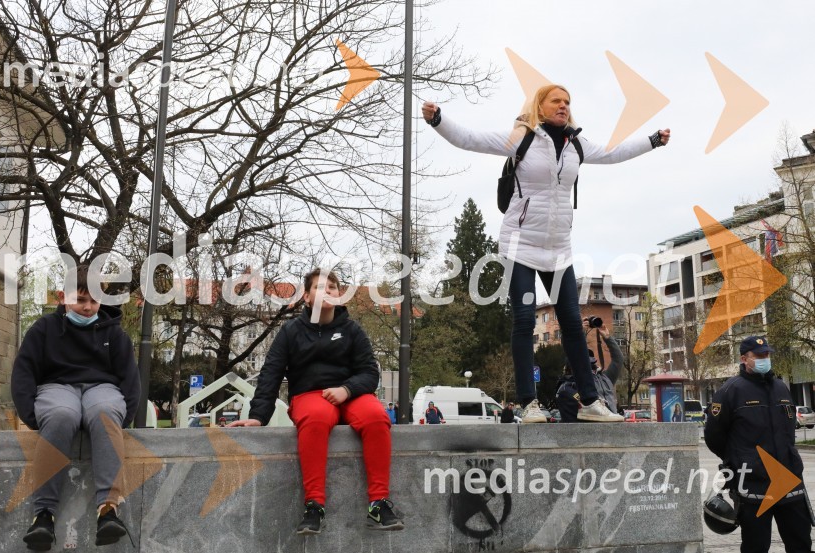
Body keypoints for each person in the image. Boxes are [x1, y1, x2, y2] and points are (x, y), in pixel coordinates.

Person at [422, 86, 669, 424]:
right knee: (524, 319)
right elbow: (471, 139)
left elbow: (614, 152)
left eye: (568, 102)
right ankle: (528, 403)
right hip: (521, 244)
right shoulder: (522, 138)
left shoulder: (575, 144)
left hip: (558, 249)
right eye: (557, 101)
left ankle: (591, 402)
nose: (563, 106)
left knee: (570, 321)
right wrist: (439, 120)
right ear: (540, 106)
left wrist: (652, 140)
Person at [229, 269, 404, 534]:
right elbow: (271, 373)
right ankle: (314, 506)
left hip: (351, 395)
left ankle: (378, 504)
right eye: (320, 287)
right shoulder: (291, 331)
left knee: (376, 417)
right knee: (316, 418)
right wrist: (258, 416)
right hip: (310, 397)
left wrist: (347, 389)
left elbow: (370, 373)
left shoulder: (352, 330)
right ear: (307, 297)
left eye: (332, 287)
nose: (328, 291)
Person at [11, 265, 140, 550]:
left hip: (101, 388)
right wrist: (31, 417)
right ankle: (43, 515)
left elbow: (130, 378)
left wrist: (125, 416)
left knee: (104, 412)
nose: (87, 307)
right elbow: (24, 371)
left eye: (93, 301)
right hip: (56, 387)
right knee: (61, 414)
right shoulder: (44, 329)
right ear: (62, 297)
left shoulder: (114, 334)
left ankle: (108, 511)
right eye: (80, 300)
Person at [704, 336, 812, 553]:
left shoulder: (781, 388)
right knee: (756, 547)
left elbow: (789, 430)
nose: (765, 359)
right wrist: (740, 460)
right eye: (759, 355)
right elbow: (714, 437)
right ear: (744, 359)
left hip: (790, 482)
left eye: (767, 355)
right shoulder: (729, 391)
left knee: (801, 543)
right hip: (754, 487)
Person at [556, 322, 624, 423]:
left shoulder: (604, 378)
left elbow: (618, 360)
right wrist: (579, 332)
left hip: (612, 428)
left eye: (589, 357)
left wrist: (607, 337)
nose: (589, 361)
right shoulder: (568, 387)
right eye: (583, 358)